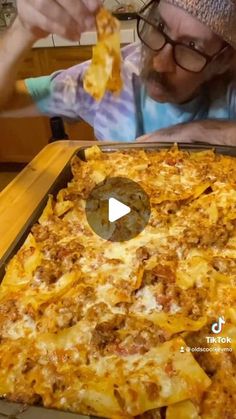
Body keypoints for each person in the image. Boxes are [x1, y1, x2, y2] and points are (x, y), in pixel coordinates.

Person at [0, 0, 236, 144]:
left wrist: (199, 131)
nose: (160, 63)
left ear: (223, 60)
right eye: (160, 26)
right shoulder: (109, 78)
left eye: (192, 46)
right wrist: (23, 30)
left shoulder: (230, 89)